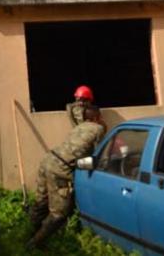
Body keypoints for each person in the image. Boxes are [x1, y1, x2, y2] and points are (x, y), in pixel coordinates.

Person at [29, 105, 106, 247]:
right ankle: (34, 244)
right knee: (59, 214)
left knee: (41, 202)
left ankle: (28, 232)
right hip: (60, 168)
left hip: (48, 159)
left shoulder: (78, 127)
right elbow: (99, 155)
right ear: (96, 118)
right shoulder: (99, 129)